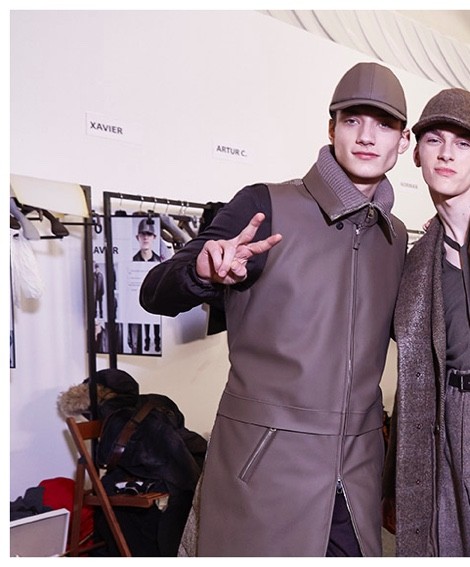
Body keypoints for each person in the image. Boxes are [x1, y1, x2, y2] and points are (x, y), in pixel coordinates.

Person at [140, 62, 410, 557]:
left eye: (384, 124)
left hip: (356, 476)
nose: (367, 136)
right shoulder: (265, 205)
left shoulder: (394, 238)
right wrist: (201, 271)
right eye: (352, 120)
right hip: (264, 472)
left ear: (403, 141)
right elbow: (155, 292)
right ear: (330, 128)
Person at [382, 88, 470, 557]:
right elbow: (414, 376)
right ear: (416, 154)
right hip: (442, 420)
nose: (447, 154)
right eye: (435, 140)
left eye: (463, 143)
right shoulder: (418, 258)